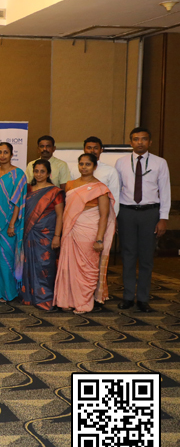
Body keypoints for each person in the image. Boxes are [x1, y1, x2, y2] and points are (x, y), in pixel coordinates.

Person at [114, 127, 170, 313]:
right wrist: (114, 216)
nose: (140, 142)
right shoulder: (121, 162)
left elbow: (165, 191)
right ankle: (128, 297)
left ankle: (143, 299)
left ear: (150, 142)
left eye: (144, 139)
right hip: (127, 213)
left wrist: (163, 218)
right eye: (136, 139)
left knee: (146, 258)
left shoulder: (160, 163)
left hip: (149, 213)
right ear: (131, 142)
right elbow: (116, 191)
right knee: (128, 256)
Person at [54, 153, 116, 314]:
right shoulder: (70, 185)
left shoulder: (100, 188)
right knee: (69, 267)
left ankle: (83, 302)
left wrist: (100, 239)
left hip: (89, 232)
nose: (84, 167)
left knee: (87, 268)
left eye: (88, 164)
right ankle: (66, 300)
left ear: (95, 166)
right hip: (70, 230)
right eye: (81, 164)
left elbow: (104, 216)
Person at [20, 160, 64, 311]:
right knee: (29, 263)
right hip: (29, 232)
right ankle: (31, 297)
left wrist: (57, 236)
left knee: (45, 265)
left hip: (46, 235)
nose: (38, 174)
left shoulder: (54, 192)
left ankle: (45, 298)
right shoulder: (27, 189)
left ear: (49, 173)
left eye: (42, 171)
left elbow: (60, 215)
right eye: (36, 171)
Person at [0, 142, 27, 303]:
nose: (2, 155)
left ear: (11, 154)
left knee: (6, 259)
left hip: (10, 222)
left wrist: (11, 224)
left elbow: (18, 201)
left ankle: (8, 292)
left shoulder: (19, 174)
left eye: (5, 152)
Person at [69, 136, 121, 216]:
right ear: (84, 150)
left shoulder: (110, 171)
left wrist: (112, 218)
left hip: (100, 215)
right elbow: (71, 195)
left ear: (101, 150)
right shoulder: (75, 170)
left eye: (95, 148)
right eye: (89, 148)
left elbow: (115, 197)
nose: (92, 151)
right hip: (77, 215)